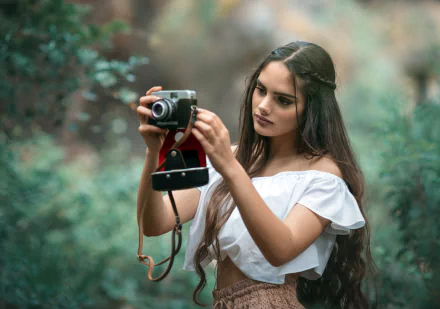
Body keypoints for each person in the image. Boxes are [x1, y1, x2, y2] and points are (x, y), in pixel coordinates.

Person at [136, 41, 377, 309]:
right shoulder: (228, 157)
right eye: (260, 90)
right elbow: (155, 223)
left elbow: (281, 250)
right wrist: (153, 152)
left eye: (283, 100)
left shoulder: (323, 176)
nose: (263, 106)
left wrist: (229, 165)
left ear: (311, 110)